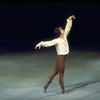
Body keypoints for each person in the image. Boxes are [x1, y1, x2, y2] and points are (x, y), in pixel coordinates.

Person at [35, 15, 75, 94]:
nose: (63, 30)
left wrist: (69, 20)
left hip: (61, 59)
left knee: (55, 72)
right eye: (61, 30)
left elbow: (68, 28)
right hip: (60, 59)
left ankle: (46, 85)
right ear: (59, 32)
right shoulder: (57, 40)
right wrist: (41, 43)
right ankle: (63, 90)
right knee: (61, 75)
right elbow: (49, 43)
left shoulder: (65, 36)